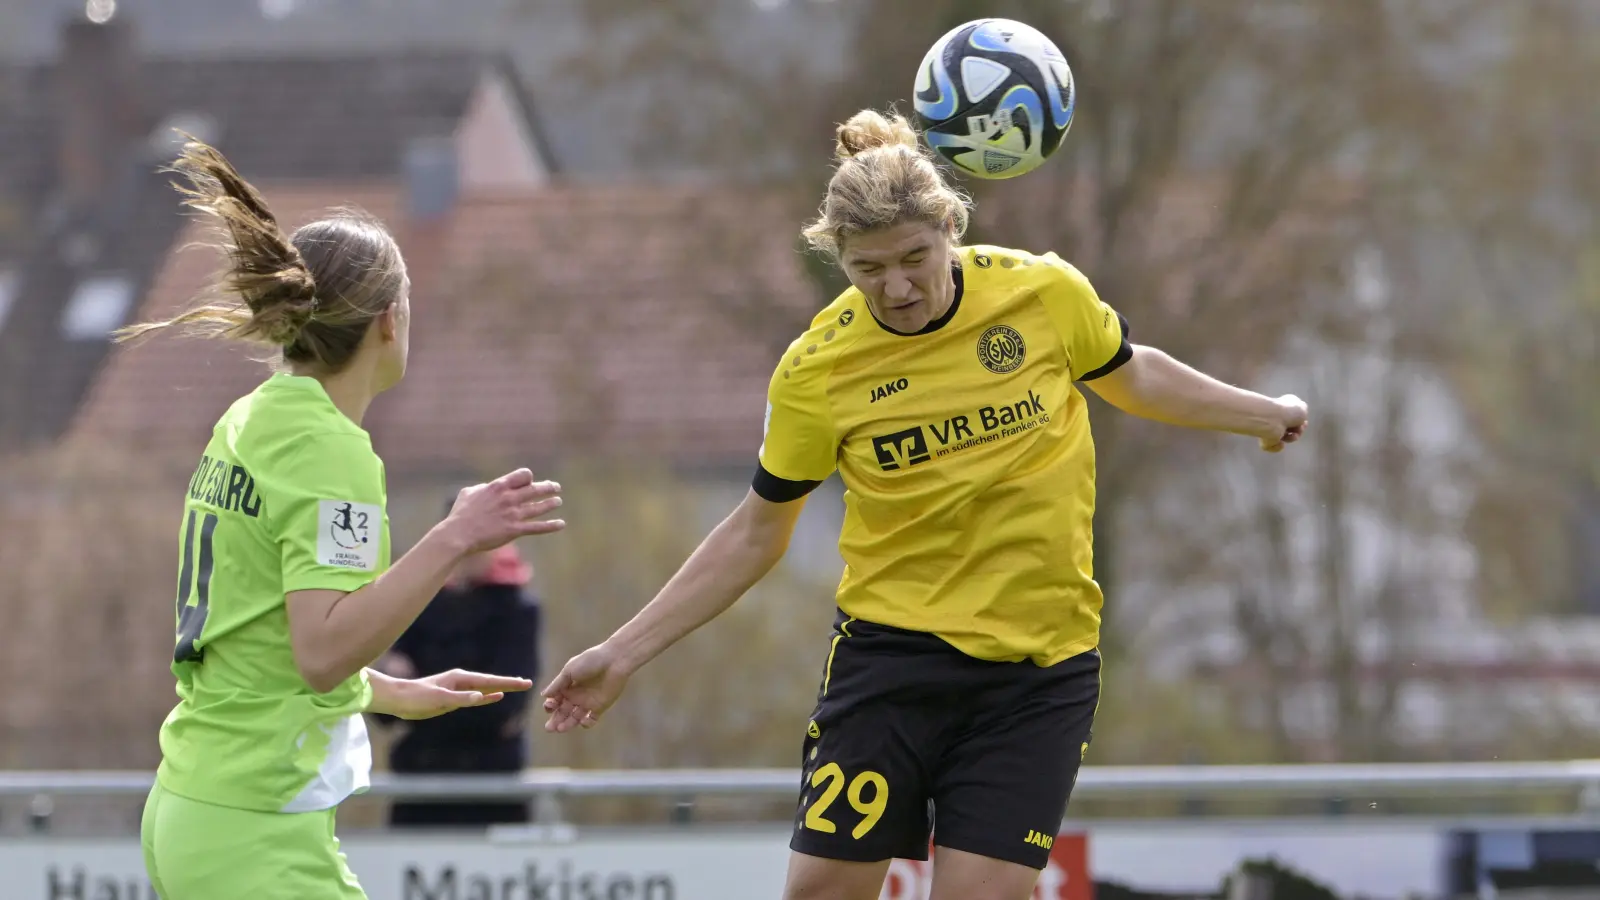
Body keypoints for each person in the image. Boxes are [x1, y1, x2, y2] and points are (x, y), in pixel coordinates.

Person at [539, 109, 1308, 900]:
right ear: (838, 257)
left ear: (951, 226)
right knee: (823, 892)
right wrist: (621, 652)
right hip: (893, 662)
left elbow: (1129, 372)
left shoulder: (1042, 294)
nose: (897, 287)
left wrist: (1260, 412)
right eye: (869, 268)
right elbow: (753, 534)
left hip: (1038, 673)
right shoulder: (818, 372)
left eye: (915, 257)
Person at [117, 139, 566, 900]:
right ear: (390, 321)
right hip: (251, 829)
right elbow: (321, 651)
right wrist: (456, 535)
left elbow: (265, 640)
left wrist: (394, 692)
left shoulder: (253, 416)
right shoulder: (331, 449)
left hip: (193, 808)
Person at [375, 502, 542, 829]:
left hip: (492, 793)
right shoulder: (418, 602)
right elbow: (382, 708)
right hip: (420, 793)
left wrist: (418, 692)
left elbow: (505, 705)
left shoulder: (517, 609)